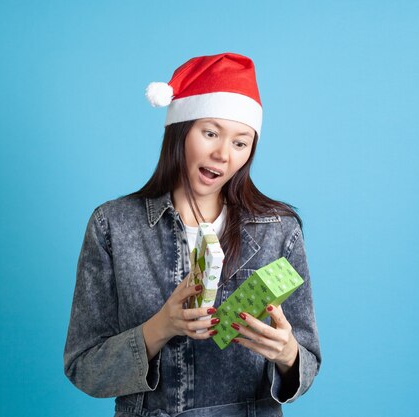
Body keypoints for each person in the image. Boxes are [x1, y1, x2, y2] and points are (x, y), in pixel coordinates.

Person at [64, 52, 321, 417]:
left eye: (240, 142)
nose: (222, 154)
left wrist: (287, 353)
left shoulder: (280, 231)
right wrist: (160, 327)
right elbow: (84, 369)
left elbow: (307, 364)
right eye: (211, 132)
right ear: (181, 130)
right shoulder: (113, 226)